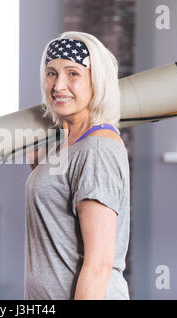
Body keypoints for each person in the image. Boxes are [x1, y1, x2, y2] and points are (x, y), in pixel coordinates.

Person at [24, 31, 130, 300]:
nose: (58, 85)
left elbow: (99, 265)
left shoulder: (97, 150)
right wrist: (41, 168)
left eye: (73, 73)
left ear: (97, 81)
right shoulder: (66, 142)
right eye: (51, 73)